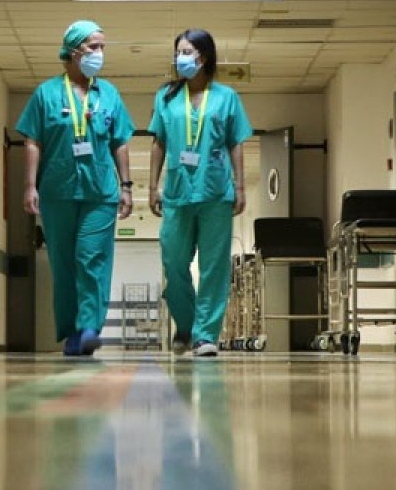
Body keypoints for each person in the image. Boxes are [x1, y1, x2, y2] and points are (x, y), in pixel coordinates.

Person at [16, 20, 136, 356]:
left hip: (100, 192)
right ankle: (71, 331)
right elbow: (33, 141)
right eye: (92, 46)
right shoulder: (46, 94)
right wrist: (30, 186)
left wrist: (126, 186)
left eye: (102, 47)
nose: (99, 53)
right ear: (72, 51)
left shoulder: (108, 94)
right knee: (64, 262)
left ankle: (88, 327)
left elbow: (120, 142)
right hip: (57, 191)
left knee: (91, 257)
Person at [148, 29, 253, 358]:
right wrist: (152, 186)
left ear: (203, 57)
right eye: (177, 52)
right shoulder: (165, 97)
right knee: (174, 261)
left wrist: (239, 185)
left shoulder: (226, 97)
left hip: (215, 192)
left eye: (186, 52)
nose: (180, 58)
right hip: (177, 193)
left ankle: (205, 335)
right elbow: (159, 142)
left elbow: (235, 142)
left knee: (214, 268)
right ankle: (187, 322)